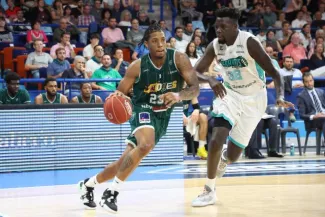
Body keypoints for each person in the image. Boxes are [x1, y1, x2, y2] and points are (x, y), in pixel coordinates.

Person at [78, 23, 200, 213]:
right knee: (145, 144)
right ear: (146, 44)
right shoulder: (136, 67)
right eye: (155, 41)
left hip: (163, 115)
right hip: (141, 108)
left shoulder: (179, 59)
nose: (160, 45)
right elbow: (121, 93)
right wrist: (116, 100)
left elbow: (194, 87)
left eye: (163, 40)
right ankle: (112, 193)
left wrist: (179, 96)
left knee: (124, 162)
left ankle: (88, 185)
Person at [191, 8, 293, 207]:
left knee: (233, 155)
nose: (218, 30)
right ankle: (209, 190)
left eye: (223, 26)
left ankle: (224, 158)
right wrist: (210, 79)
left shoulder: (248, 42)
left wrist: (279, 96)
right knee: (216, 138)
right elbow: (196, 72)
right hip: (229, 94)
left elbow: (275, 72)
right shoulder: (215, 46)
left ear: (235, 27)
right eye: (216, 26)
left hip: (254, 98)